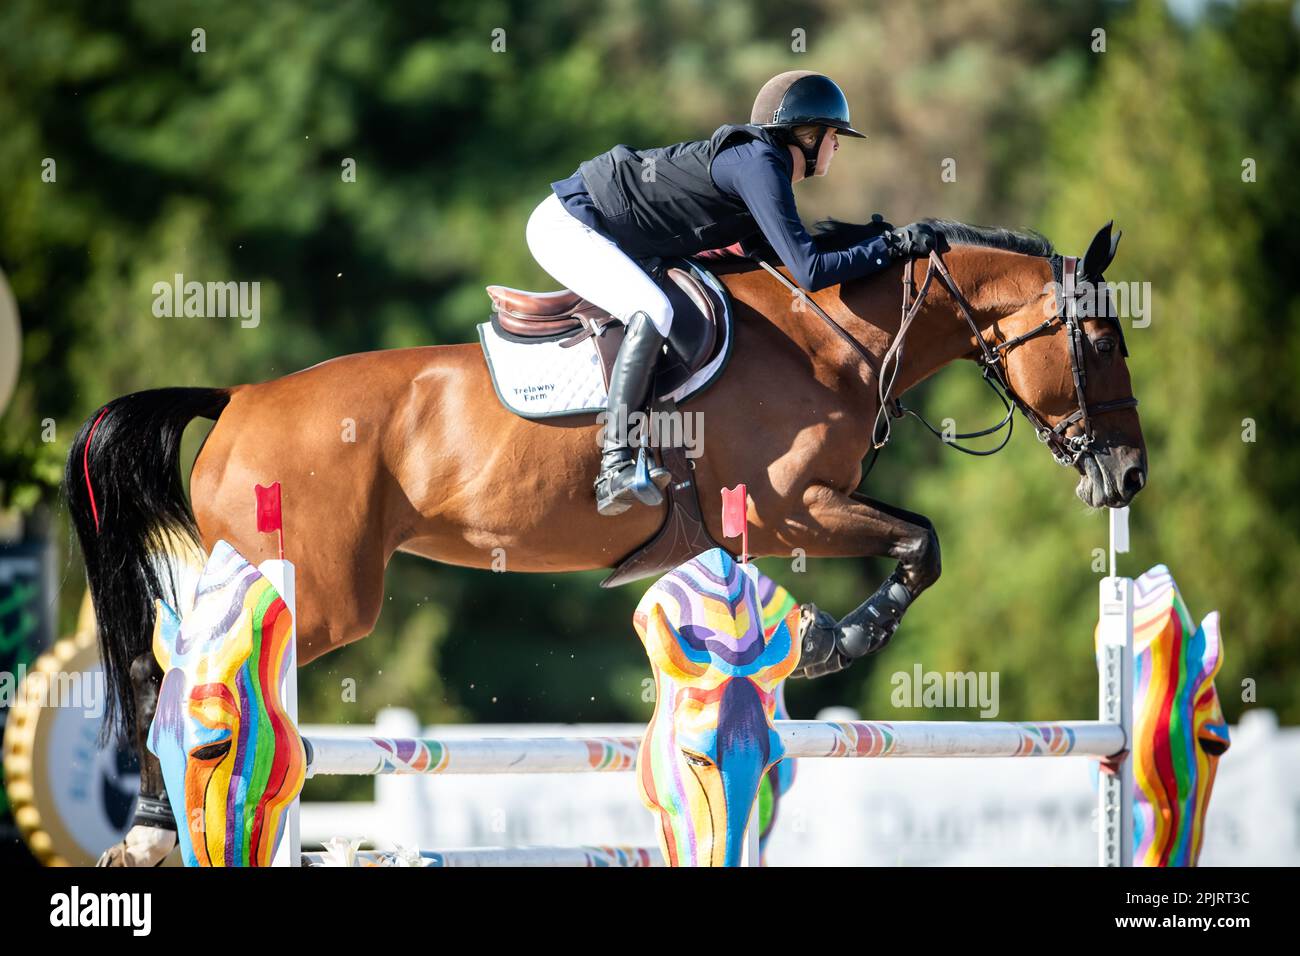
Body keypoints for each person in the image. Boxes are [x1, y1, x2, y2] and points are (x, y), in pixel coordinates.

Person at [526, 70, 937, 516]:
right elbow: (811, 272)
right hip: (569, 223)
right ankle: (614, 466)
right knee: (654, 309)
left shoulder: (763, 167)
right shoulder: (759, 164)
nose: (838, 146)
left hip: (596, 223)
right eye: (834, 135)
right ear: (808, 135)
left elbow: (783, 257)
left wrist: (873, 244)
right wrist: (891, 248)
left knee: (658, 306)